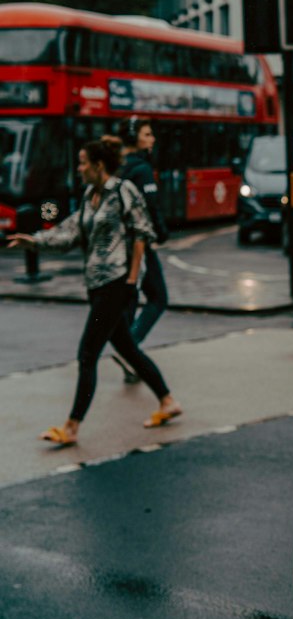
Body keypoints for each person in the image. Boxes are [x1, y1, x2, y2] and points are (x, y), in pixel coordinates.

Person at [4, 137, 182, 446]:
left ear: (99, 166)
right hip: (97, 285)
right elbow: (71, 232)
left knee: (87, 355)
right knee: (127, 349)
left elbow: (143, 232)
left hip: (116, 284)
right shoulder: (91, 195)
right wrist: (34, 241)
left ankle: (72, 426)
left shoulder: (123, 191)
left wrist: (131, 280)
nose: (79, 168)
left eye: (84, 162)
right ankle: (167, 401)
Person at [111, 118, 170, 381]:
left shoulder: (118, 167)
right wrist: (162, 232)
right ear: (136, 139)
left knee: (131, 298)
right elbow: (151, 205)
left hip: (117, 244)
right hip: (139, 244)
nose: (153, 138)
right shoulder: (142, 169)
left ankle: (130, 366)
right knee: (158, 297)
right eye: (148, 134)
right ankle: (130, 349)